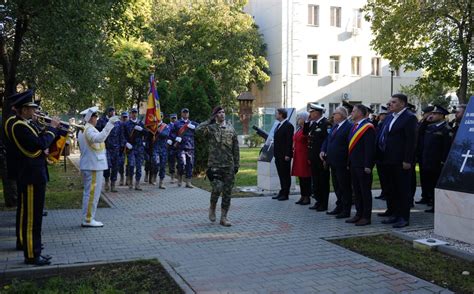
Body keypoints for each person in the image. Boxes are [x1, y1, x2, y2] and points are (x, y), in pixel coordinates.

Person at [10, 90, 60, 265]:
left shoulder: (25, 124)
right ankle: (32, 254)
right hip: (31, 176)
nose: (34, 111)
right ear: (23, 110)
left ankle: (33, 248)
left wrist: (52, 131)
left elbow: (40, 140)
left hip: (34, 174)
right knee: (33, 218)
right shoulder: (19, 126)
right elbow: (40, 144)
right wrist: (52, 128)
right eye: (31, 108)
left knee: (34, 216)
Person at [376, 94, 418, 228]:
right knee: (391, 188)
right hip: (387, 159)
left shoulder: (409, 118)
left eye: (393, 102)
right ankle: (394, 214)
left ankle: (404, 217)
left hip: (400, 161)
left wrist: (407, 160)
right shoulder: (390, 117)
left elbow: (411, 141)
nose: (390, 105)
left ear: (402, 104)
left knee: (402, 190)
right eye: (389, 102)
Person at [196, 106, 239, 227]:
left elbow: (236, 148)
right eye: (219, 113)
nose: (222, 114)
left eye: (223, 112)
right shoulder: (210, 128)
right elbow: (198, 131)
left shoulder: (231, 129)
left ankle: (224, 217)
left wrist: (237, 164)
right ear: (215, 115)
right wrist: (209, 120)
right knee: (217, 188)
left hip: (228, 165)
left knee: (227, 192)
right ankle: (212, 207)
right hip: (214, 166)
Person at [78, 107, 119, 227]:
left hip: (92, 164)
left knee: (89, 193)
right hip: (93, 166)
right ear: (91, 117)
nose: (97, 119)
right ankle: (88, 219)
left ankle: (88, 217)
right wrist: (109, 124)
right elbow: (99, 138)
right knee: (92, 194)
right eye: (96, 117)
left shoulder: (86, 129)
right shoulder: (89, 129)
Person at [345, 105, 376, 226]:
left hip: (363, 165)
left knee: (364, 191)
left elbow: (370, 148)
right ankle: (358, 214)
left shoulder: (367, 127)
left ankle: (366, 216)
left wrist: (368, 165)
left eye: (353, 111)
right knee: (357, 191)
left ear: (360, 113)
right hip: (354, 164)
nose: (351, 113)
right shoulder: (355, 126)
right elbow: (351, 147)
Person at [320, 106, 353, 218]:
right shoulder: (335, 126)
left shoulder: (349, 126)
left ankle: (346, 209)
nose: (333, 115)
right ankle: (339, 206)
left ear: (342, 115)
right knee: (337, 186)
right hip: (332, 162)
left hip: (342, 162)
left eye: (335, 113)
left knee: (344, 187)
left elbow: (350, 145)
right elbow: (327, 140)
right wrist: (323, 150)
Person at [421, 105, 453, 213]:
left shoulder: (446, 129)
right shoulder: (430, 127)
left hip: (437, 162)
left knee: (436, 184)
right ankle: (433, 204)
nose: (432, 115)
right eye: (432, 113)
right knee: (429, 184)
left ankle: (438, 206)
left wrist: (443, 161)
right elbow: (419, 133)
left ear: (441, 115)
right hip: (427, 161)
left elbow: (446, 147)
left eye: (435, 114)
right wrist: (425, 121)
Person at [304, 103, 330, 211]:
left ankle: (324, 204)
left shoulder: (326, 124)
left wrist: (326, 157)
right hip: (313, 157)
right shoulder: (313, 124)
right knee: (316, 181)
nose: (310, 114)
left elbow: (327, 141)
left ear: (318, 113)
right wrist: (307, 121)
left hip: (321, 158)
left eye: (312, 112)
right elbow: (305, 133)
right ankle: (318, 201)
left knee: (323, 181)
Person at [96, 107, 124, 192]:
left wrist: (122, 147)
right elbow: (98, 132)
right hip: (106, 147)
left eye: (113, 111)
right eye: (110, 111)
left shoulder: (118, 122)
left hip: (116, 148)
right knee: (107, 166)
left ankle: (113, 185)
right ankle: (107, 181)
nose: (112, 113)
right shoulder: (102, 121)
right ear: (107, 112)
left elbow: (121, 135)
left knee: (115, 167)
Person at [169, 108, 198, 188]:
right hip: (181, 147)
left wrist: (195, 128)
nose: (185, 114)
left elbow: (200, 130)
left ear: (188, 114)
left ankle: (188, 182)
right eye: (184, 113)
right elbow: (172, 133)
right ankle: (180, 179)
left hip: (190, 147)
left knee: (190, 164)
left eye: (187, 113)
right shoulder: (177, 123)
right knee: (181, 164)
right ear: (181, 114)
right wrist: (176, 138)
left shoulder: (193, 123)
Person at [271, 108, 294, 201]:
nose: (275, 115)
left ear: (281, 115)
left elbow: (289, 141)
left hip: (285, 155)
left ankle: (285, 193)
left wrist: (288, 154)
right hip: (278, 155)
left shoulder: (288, 125)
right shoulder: (279, 125)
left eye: (276, 113)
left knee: (285, 175)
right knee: (281, 174)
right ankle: (282, 191)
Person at [415, 106, 434, 205]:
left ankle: (430, 197)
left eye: (426, 113)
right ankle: (425, 196)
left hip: (429, 154)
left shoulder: (431, 123)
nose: (425, 115)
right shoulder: (423, 122)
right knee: (423, 177)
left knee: (430, 178)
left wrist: (426, 122)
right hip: (421, 153)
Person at [292, 111, 312, 205]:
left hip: (304, 155)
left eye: (299, 117)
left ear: (304, 119)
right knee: (300, 177)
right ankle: (302, 195)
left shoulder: (306, 129)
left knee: (306, 177)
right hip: (298, 155)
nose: (298, 119)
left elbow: (306, 138)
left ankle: (307, 197)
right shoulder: (299, 129)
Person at [123, 108, 146, 190]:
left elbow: (146, 133)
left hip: (139, 148)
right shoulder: (126, 124)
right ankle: (130, 181)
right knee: (131, 165)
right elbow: (123, 136)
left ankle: (137, 183)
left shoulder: (140, 123)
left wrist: (142, 129)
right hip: (131, 148)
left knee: (139, 167)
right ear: (130, 114)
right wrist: (126, 143)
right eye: (133, 113)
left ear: (137, 114)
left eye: (135, 113)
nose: (134, 114)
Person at [148, 120, 171, 188]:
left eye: (160, 116)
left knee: (163, 166)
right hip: (155, 148)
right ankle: (154, 174)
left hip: (163, 148)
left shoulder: (166, 126)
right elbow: (148, 136)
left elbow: (165, 134)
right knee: (155, 162)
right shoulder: (152, 126)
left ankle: (161, 182)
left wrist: (157, 130)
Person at [374, 105, 390, 200]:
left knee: (386, 176)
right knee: (382, 176)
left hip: (385, 154)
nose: (381, 116)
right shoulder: (380, 124)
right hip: (379, 155)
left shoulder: (386, 124)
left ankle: (387, 192)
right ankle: (383, 192)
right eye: (380, 115)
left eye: (383, 114)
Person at [118, 111, 129, 186]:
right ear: (121, 117)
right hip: (120, 147)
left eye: (126, 117)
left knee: (129, 163)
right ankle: (122, 177)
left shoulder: (130, 125)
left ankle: (127, 178)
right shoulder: (118, 125)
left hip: (129, 147)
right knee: (120, 163)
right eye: (123, 117)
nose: (125, 119)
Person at [167, 113, 178, 184]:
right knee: (171, 162)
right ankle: (172, 177)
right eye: (172, 118)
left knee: (180, 162)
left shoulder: (179, 125)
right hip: (171, 146)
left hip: (179, 145)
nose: (174, 119)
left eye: (175, 118)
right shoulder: (167, 126)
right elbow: (165, 134)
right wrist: (167, 140)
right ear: (170, 118)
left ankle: (179, 176)